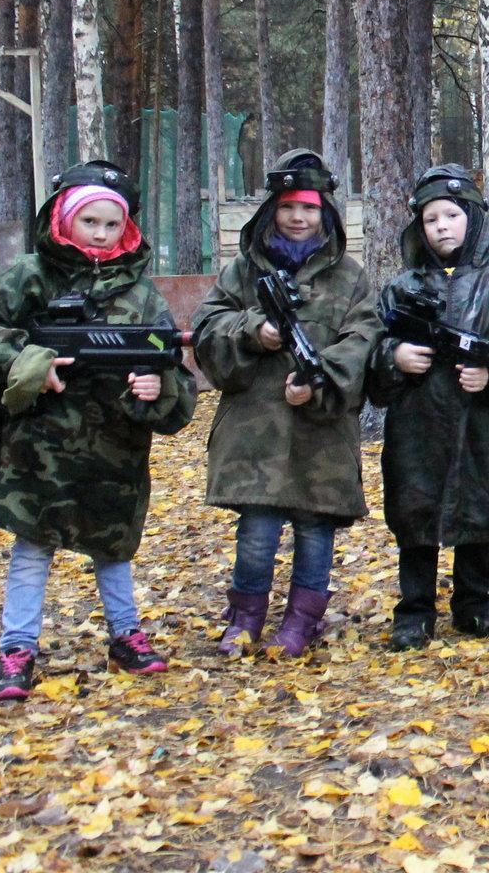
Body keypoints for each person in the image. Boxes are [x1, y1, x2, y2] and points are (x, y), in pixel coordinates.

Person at [0, 162, 197, 701]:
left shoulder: (141, 294)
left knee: (114, 549)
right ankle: (17, 649)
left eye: (113, 225)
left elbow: (171, 372)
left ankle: (126, 636)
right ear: (64, 220)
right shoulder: (29, 277)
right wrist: (32, 363)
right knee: (32, 550)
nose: (102, 234)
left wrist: (157, 388)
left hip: (114, 453)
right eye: (90, 221)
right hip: (35, 454)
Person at [192, 149, 381, 656]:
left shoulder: (350, 278)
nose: (298, 218)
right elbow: (208, 332)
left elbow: (364, 341)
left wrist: (318, 382)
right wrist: (256, 330)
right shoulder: (240, 273)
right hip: (255, 430)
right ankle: (245, 616)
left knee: (315, 531)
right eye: (288, 207)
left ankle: (302, 621)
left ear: (327, 215)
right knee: (256, 533)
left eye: (310, 209)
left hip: (321, 431)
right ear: (271, 211)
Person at [369, 165, 489, 649]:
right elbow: (367, 349)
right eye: (431, 219)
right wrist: (393, 358)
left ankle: (475, 605)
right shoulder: (400, 289)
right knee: (416, 513)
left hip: (484, 423)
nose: (442, 226)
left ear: (472, 219)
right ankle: (414, 611)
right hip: (417, 425)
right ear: (419, 227)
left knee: (480, 509)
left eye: (452, 215)